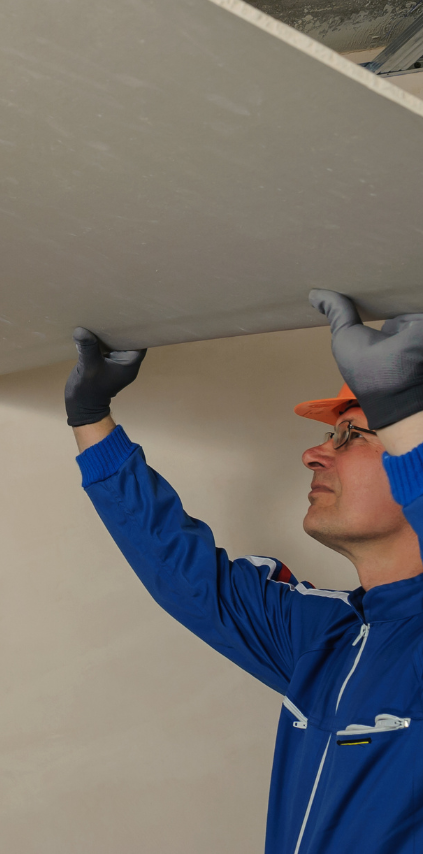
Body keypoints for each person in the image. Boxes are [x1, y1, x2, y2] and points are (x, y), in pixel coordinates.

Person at [65, 293, 423, 854]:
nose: (314, 453)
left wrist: (403, 409)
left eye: (353, 436)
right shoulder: (326, 638)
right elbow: (185, 572)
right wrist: (91, 421)